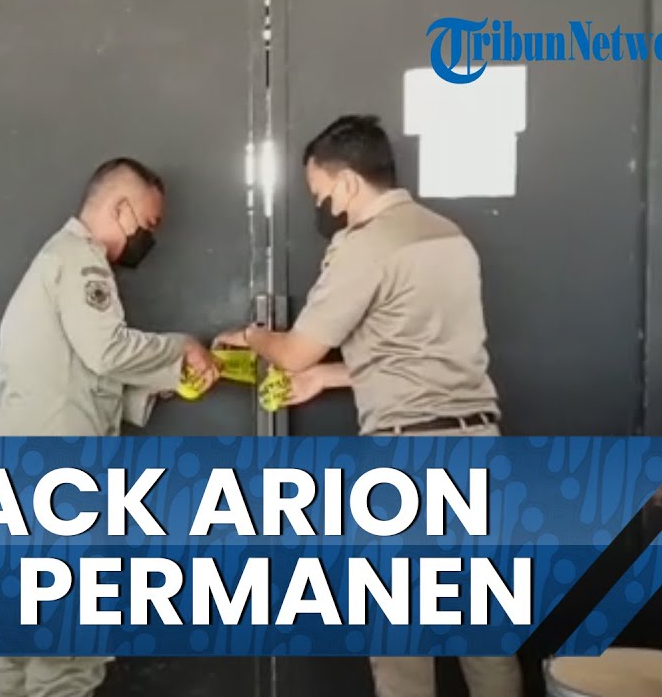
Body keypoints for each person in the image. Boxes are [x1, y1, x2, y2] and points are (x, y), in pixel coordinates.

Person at [215, 115, 521, 697]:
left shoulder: (365, 247)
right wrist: (328, 378)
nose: (323, 208)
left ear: (350, 182)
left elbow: (294, 352)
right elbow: (415, 351)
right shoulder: (450, 237)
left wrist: (254, 336)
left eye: (321, 194)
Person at [0, 157, 220, 697]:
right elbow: (107, 350)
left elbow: (82, 375)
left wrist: (169, 380)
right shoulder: (82, 263)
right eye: (149, 224)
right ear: (121, 209)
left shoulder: (56, 262)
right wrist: (181, 347)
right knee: (67, 656)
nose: (149, 238)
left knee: (18, 650)